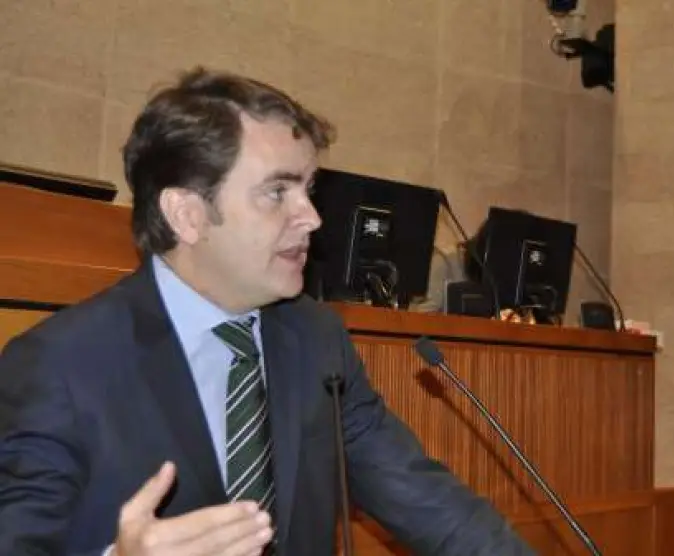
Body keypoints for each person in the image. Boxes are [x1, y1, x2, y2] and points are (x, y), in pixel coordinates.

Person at [0, 67, 536, 556]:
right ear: (187, 214)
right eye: (277, 192)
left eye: (308, 189)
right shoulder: (58, 366)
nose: (312, 218)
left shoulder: (316, 337)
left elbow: (427, 502)